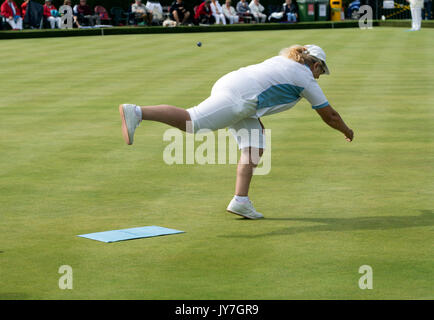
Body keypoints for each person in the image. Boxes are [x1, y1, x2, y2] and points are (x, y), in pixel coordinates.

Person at [118, 45, 354, 219]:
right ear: (315, 65)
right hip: (240, 98)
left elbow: (265, 86)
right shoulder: (305, 77)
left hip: (235, 89)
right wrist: (347, 130)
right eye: (321, 72)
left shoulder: (283, 62)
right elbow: (329, 115)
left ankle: (240, 200)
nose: (319, 77)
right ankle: (137, 112)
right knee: (193, 121)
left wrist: (255, 117)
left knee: (255, 145)